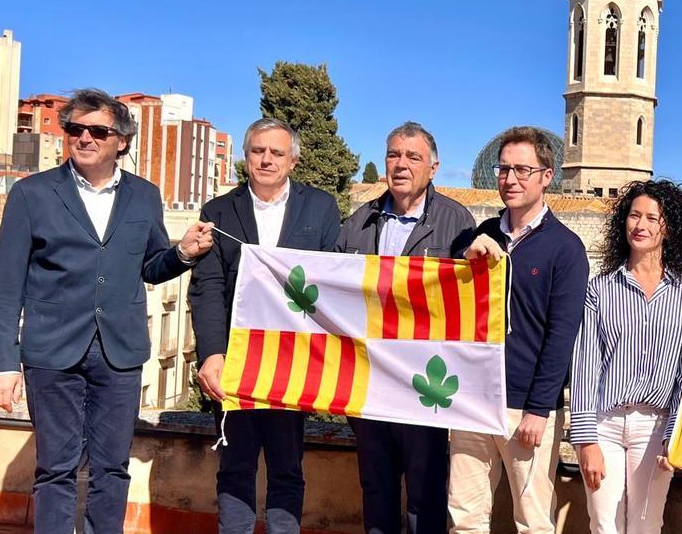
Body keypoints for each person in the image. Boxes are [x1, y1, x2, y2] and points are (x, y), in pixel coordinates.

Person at [0, 88, 213, 533]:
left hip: (120, 352)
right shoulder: (32, 194)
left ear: (122, 141)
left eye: (97, 130)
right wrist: (1, 364)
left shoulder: (144, 196)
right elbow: (4, 286)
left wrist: (182, 254)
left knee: (112, 469)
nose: (84, 138)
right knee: (56, 469)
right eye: (74, 128)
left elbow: (150, 267)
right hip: (51, 352)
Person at [188, 117, 342, 533]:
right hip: (237, 359)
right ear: (246, 156)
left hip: (295, 359)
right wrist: (212, 355)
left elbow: (333, 283)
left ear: (293, 160)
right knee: (236, 466)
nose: (266, 159)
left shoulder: (321, 207)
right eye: (258, 151)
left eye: (277, 152)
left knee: (287, 465)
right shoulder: (218, 212)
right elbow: (207, 288)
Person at [335, 122, 476, 533]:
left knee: (425, 492)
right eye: (394, 155)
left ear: (433, 168)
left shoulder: (457, 222)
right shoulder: (359, 221)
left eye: (412, 157)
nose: (401, 165)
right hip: (369, 382)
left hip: (425, 385)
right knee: (375, 488)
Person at [450, 126, 589, 533]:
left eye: (523, 170)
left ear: (547, 176)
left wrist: (539, 409)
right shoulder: (480, 237)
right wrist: (464, 257)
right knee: (465, 517)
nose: (511, 179)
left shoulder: (566, 248)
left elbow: (561, 337)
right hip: (473, 398)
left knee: (532, 520)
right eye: (504, 168)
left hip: (524, 406)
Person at [570, 180, 682, 534]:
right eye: (633, 215)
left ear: (669, 226)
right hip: (605, 425)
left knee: (647, 527)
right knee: (603, 525)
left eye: (652, 218)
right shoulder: (600, 288)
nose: (640, 226)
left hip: (655, 427)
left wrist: (673, 435)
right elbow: (585, 366)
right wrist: (586, 441)